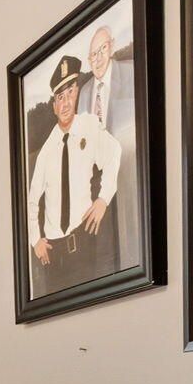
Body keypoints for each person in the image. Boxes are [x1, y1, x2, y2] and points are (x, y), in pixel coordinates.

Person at [27, 53, 121, 294]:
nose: (66, 102)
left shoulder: (88, 127)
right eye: (60, 97)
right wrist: (35, 240)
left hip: (83, 242)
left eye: (70, 92)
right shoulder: (47, 151)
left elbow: (114, 153)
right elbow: (32, 200)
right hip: (53, 255)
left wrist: (103, 199)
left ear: (77, 93)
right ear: (54, 106)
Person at [79, 24, 139, 268]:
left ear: (111, 46)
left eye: (102, 49)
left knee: (131, 243)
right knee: (104, 252)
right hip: (97, 183)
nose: (98, 58)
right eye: (93, 54)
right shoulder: (84, 93)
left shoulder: (132, 73)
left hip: (128, 176)